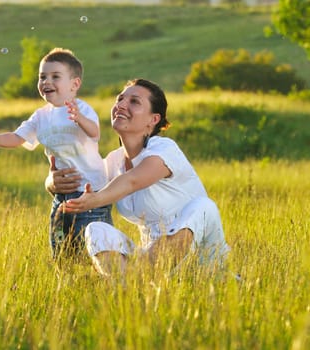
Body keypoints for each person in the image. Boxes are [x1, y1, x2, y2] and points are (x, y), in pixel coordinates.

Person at [46, 78, 230, 277]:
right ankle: (131, 287)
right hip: (153, 259)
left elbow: (133, 180)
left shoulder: (164, 149)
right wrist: (52, 182)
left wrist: (97, 198)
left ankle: (144, 278)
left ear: (153, 120)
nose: (121, 105)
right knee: (96, 230)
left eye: (134, 102)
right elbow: (78, 181)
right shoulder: (113, 162)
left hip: (202, 260)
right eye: (120, 99)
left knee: (203, 207)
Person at [0, 48, 112, 259]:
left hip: (90, 193)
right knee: (61, 249)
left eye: (55, 77)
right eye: (42, 77)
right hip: (61, 195)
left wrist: (79, 119)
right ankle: (65, 281)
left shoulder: (80, 108)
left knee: (92, 249)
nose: (46, 82)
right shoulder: (40, 116)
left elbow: (95, 133)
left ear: (74, 84)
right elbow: (18, 137)